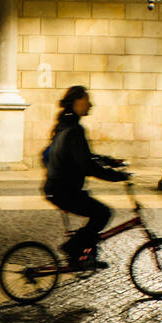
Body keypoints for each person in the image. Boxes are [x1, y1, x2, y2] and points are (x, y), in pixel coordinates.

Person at [43, 85, 130, 268]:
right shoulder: (74, 130)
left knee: (96, 213)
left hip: (57, 188)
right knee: (102, 213)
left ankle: (83, 256)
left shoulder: (65, 125)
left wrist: (109, 161)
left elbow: (84, 156)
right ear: (76, 102)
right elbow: (87, 166)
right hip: (64, 190)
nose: (91, 105)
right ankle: (72, 247)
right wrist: (117, 176)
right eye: (87, 100)